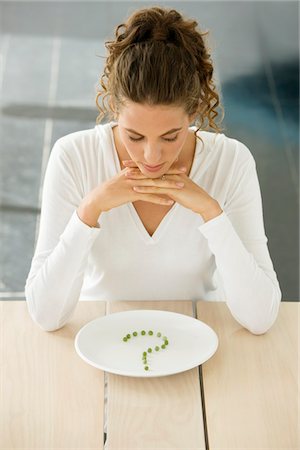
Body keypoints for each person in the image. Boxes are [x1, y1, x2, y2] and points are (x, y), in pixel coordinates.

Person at [25, 6, 281, 336]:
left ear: (193, 113)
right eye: (134, 135)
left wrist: (210, 212)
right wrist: (90, 210)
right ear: (115, 108)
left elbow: (260, 318)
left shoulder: (232, 162)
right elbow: (46, 315)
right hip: (101, 334)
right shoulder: (74, 156)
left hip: (198, 335)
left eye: (170, 136)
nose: (151, 156)